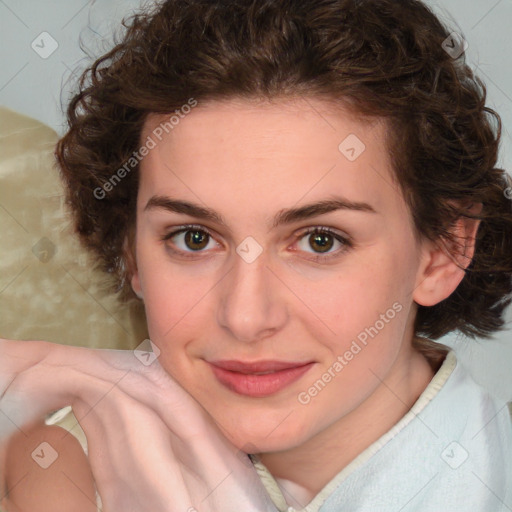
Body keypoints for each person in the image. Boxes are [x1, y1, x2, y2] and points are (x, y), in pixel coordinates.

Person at [1, 0, 512, 510]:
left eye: (320, 241)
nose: (245, 317)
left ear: (443, 251)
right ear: (130, 252)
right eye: (193, 238)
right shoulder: (51, 468)